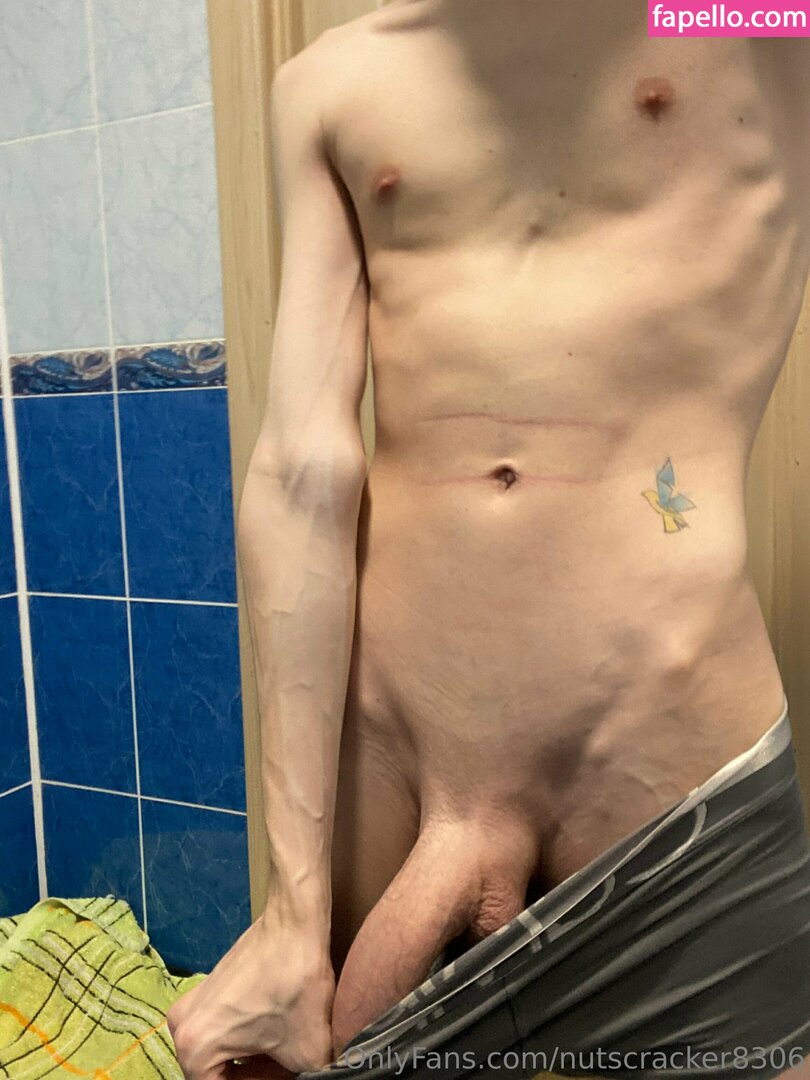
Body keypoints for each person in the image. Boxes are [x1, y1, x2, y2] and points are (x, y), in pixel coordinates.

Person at [166, 2, 810, 1077]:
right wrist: (289, 916)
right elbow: (302, 473)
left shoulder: (754, 20)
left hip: (667, 740)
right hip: (393, 769)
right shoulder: (330, 82)